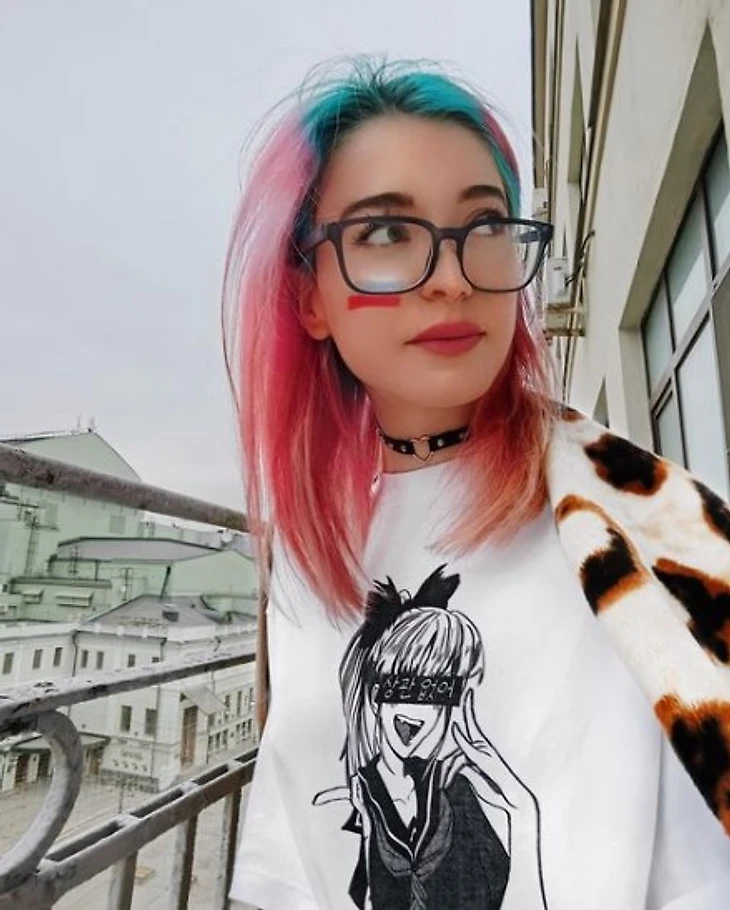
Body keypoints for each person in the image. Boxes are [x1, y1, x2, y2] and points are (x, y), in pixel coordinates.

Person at [225, 58, 730, 909]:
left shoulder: (647, 534)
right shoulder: (309, 552)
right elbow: (290, 868)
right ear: (309, 296)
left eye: (485, 224)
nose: (453, 276)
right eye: (388, 233)